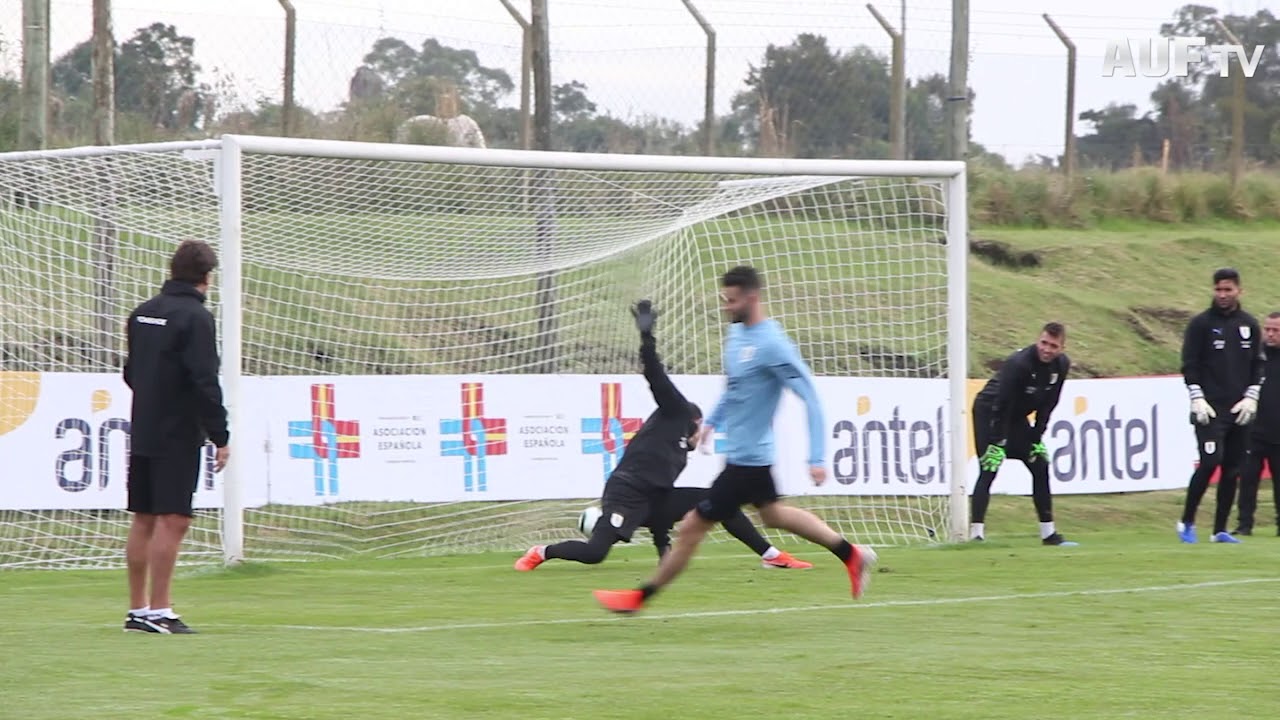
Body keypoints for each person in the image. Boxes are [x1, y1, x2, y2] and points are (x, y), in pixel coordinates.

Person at [593, 265, 876, 614]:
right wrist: (711, 423)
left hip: (748, 463)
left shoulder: (773, 345)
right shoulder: (737, 336)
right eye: (724, 299)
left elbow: (811, 398)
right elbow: (735, 389)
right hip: (745, 458)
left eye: (731, 301)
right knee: (773, 515)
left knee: (692, 528)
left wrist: (817, 458)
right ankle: (851, 554)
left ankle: (638, 599)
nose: (726, 307)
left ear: (752, 298)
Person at [515, 300, 812, 572]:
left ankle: (771, 555)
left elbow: (660, 515)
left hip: (652, 497)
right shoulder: (677, 411)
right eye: (702, 427)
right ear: (695, 422)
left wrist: (664, 553)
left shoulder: (679, 454)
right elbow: (655, 375)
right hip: (626, 493)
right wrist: (647, 336)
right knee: (595, 553)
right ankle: (542, 552)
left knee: (721, 504)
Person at [122, 240, 230, 634]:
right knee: (174, 519)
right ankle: (160, 610)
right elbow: (204, 380)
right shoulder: (196, 318)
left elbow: (131, 372)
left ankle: (137, 610)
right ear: (207, 277)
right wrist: (220, 434)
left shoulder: (142, 313)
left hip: (144, 424)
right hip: (178, 431)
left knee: (144, 518)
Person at [1177, 267, 1265, 544]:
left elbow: (1258, 364)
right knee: (1210, 462)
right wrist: (1197, 396)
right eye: (1218, 289)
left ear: (1239, 290)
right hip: (1210, 409)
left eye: (1228, 289)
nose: (1223, 295)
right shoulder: (1201, 324)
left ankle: (1219, 530)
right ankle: (1187, 521)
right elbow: (1189, 364)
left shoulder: (1249, 324)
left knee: (1233, 468)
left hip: (1239, 409)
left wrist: (1252, 395)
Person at [969, 323, 1075, 546]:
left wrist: (1037, 437)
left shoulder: (1061, 365)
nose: (1046, 349)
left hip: (1016, 417)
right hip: (990, 412)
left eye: (1053, 346)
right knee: (989, 466)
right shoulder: (1019, 363)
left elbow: (1050, 402)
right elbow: (1002, 403)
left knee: (1040, 465)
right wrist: (998, 441)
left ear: (1062, 348)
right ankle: (976, 535)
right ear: (1038, 340)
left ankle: (1049, 534)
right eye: (1043, 343)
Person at [1232, 311, 1280, 536]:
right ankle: (1244, 525)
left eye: (1275, 330)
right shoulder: (1254, 355)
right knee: (1248, 481)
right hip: (1252, 430)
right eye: (1267, 329)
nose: (1270, 334)